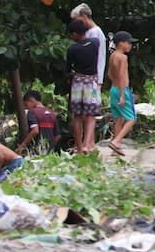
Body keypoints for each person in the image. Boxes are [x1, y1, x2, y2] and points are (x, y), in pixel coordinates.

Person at [66, 18, 101, 154]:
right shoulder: (95, 43)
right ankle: (87, 145)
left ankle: (79, 147)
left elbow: (68, 69)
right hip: (91, 83)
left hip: (77, 83)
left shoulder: (72, 49)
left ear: (75, 34)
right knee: (91, 115)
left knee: (77, 116)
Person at [107, 31, 136, 155]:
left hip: (114, 89)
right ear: (121, 43)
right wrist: (123, 95)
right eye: (128, 43)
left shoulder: (113, 55)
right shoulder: (123, 57)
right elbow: (122, 76)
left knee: (118, 118)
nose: (130, 45)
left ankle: (116, 147)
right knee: (131, 119)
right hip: (122, 90)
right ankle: (117, 141)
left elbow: (109, 74)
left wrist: (116, 88)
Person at [16, 90, 61, 155]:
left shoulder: (32, 112)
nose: (26, 107)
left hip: (37, 151)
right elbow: (58, 135)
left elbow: (35, 130)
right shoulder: (52, 113)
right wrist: (50, 146)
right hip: (50, 153)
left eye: (26, 104)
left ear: (31, 100)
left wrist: (23, 145)